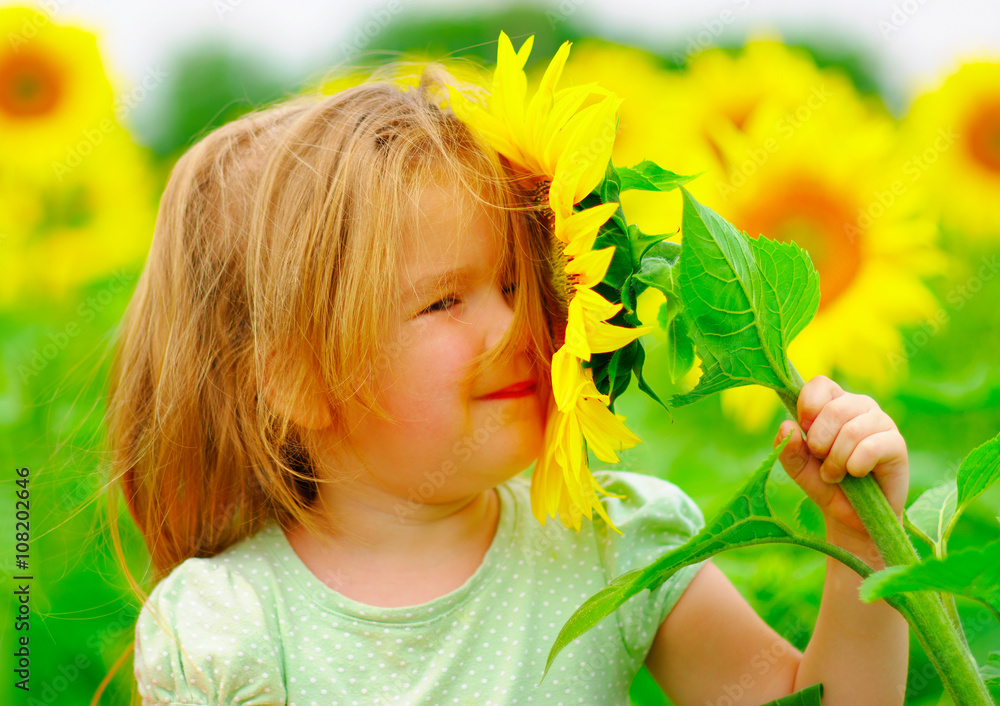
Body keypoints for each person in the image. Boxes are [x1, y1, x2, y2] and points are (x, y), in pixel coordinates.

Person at [106, 60, 909, 706]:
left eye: (517, 287)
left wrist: (861, 543)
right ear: (296, 381)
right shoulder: (233, 628)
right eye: (444, 300)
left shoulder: (613, 541)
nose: (517, 329)